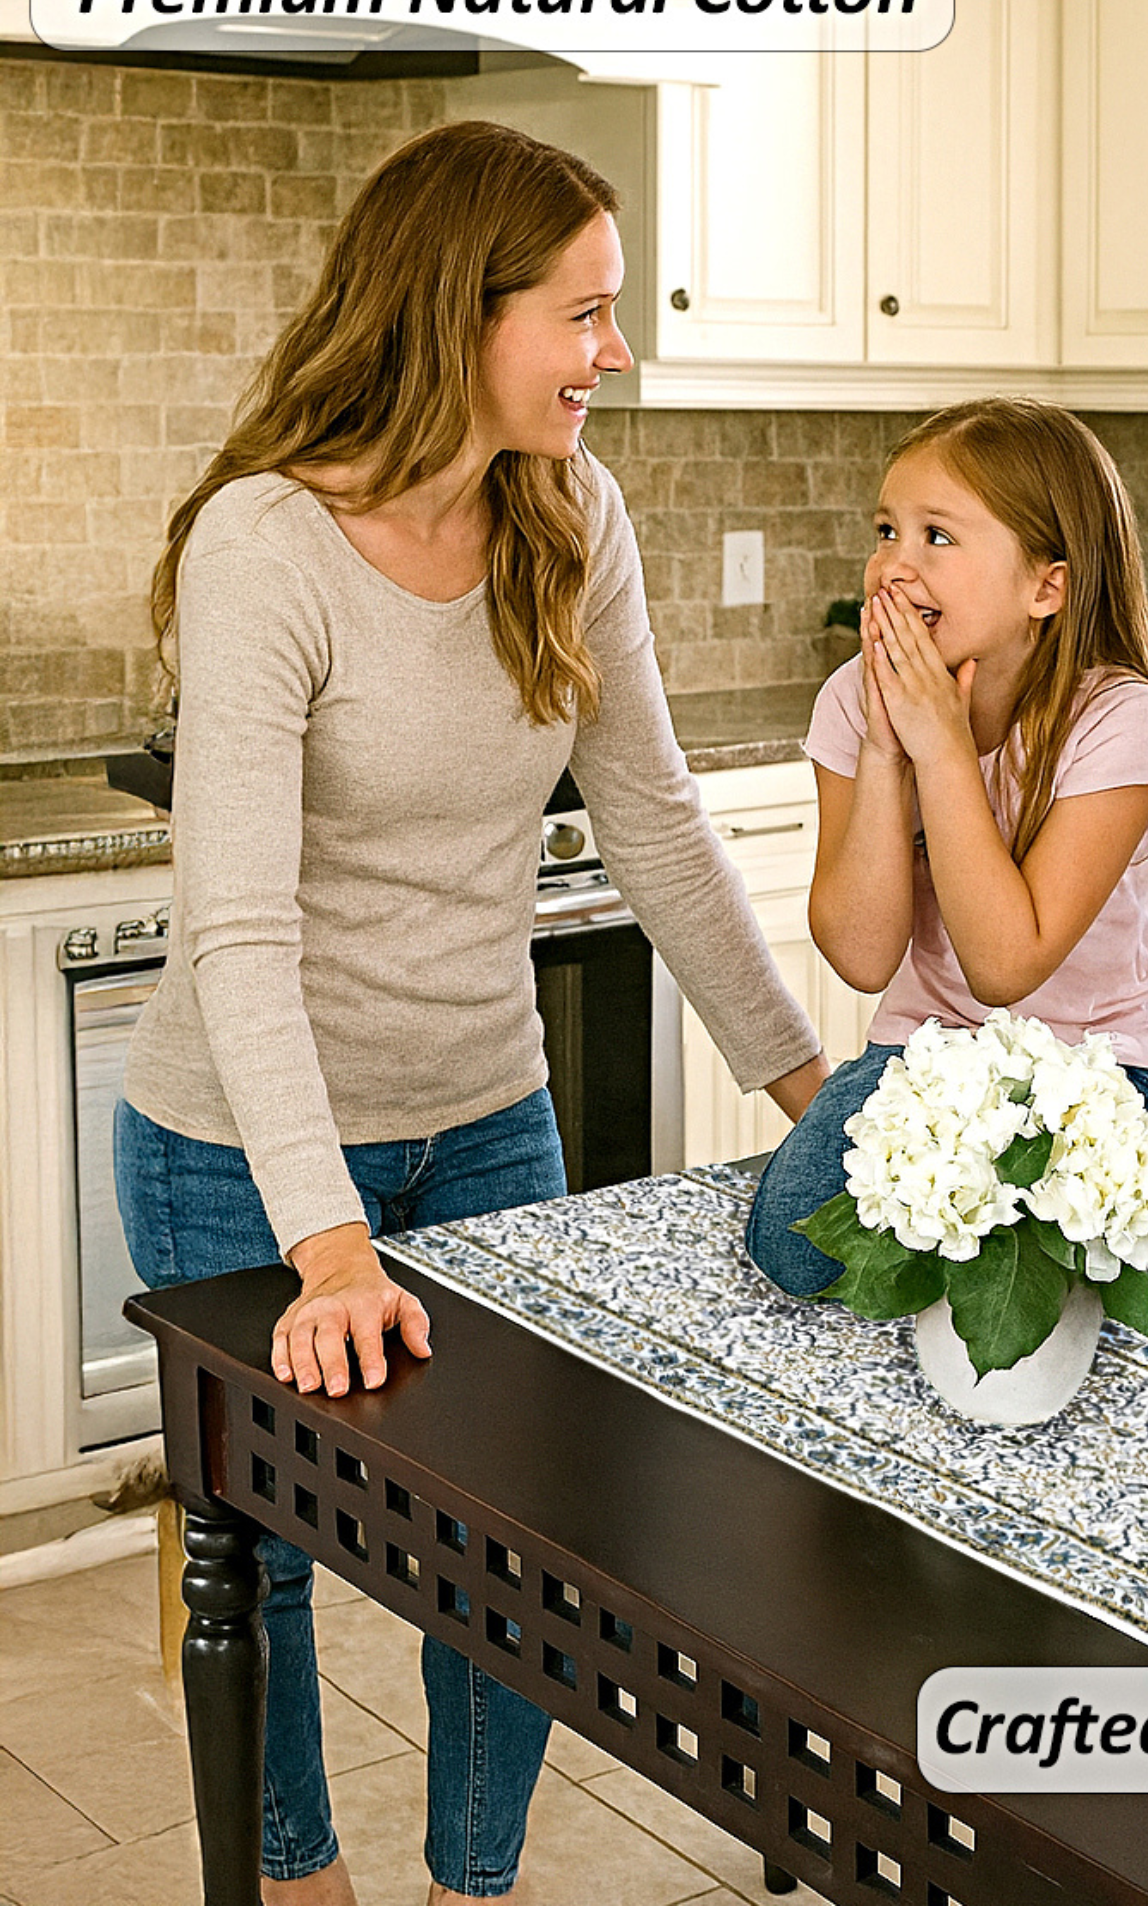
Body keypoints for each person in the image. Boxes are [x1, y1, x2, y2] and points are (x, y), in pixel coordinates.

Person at [114, 121, 828, 1906]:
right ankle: (295, 1877)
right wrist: (331, 1241)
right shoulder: (265, 545)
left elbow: (655, 824)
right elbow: (238, 925)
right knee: (260, 1554)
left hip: (487, 1111)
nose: (616, 351)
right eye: (582, 313)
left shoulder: (570, 516)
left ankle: (471, 1884)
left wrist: (815, 1086)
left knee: (516, 1555)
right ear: (460, 312)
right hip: (241, 1150)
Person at [745, 399, 1148, 1288]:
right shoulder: (854, 700)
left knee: (1026, 1275)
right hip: (928, 1050)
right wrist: (884, 748)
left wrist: (943, 748)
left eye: (936, 537)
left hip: (1094, 1066)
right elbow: (864, 956)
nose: (892, 567)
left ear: (1046, 587)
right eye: (886, 530)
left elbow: (1004, 966)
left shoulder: (1118, 721)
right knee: (792, 1250)